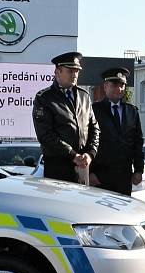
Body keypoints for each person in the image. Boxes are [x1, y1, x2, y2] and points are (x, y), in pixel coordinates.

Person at [32, 51, 99, 183]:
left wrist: (90, 153)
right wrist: (72, 155)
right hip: (58, 168)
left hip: (82, 167)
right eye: (70, 71)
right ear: (57, 72)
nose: (74, 75)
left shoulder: (84, 96)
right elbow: (45, 135)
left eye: (76, 71)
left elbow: (94, 128)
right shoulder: (44, 98)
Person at [90, 67, 143, 195]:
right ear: (105, 86)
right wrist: (90, 172)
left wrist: (138, 170)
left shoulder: (132, 111)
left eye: (122, 85)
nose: (119, 89)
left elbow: (137, 142)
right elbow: (88, 141)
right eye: (114, 85)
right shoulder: (94, 110)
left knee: (122, 213)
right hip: (100, 175)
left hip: (124, 175)